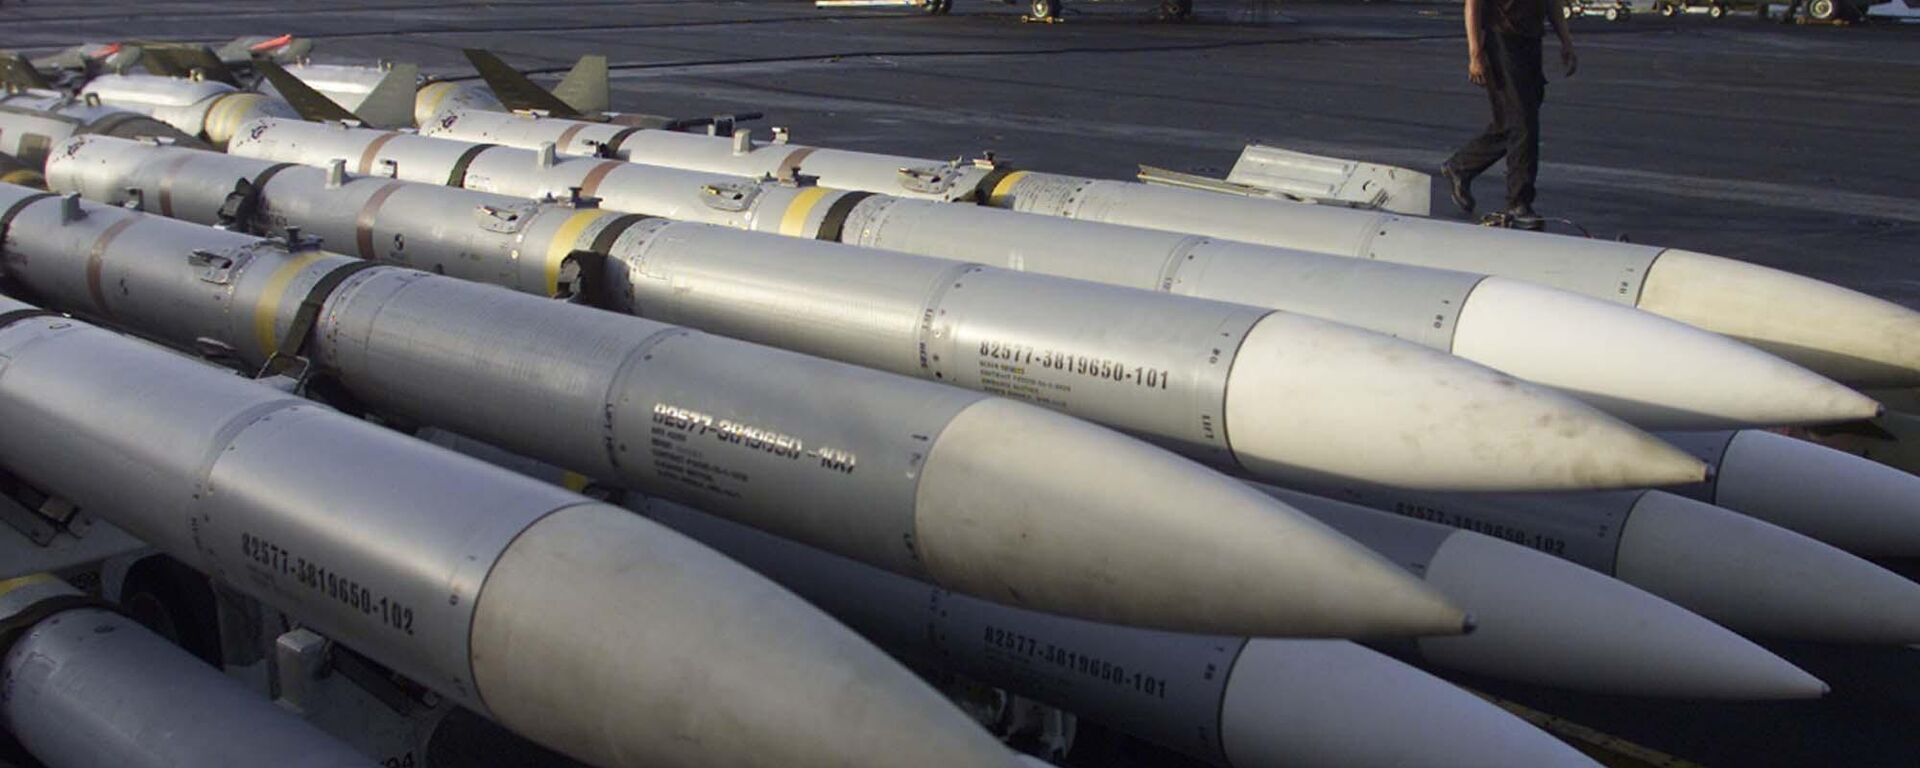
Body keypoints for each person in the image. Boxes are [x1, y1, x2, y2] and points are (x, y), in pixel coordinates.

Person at [1441, 0, 1578, 230]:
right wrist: (1475, 53)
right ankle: (1518, 202)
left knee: (1515, 121)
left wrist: (1566, 41)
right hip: (1501, 39)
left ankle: (1461, 167)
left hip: (1531, 40)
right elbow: (1472, 5)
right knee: (1523, 123)